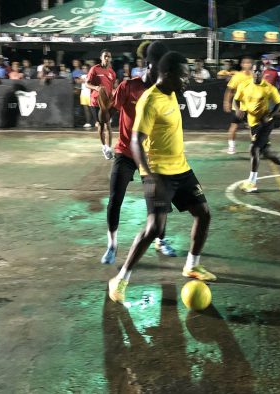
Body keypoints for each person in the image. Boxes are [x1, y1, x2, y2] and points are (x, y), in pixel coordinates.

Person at [108, 51, 215, 304]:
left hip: (182, 168)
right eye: (183, 76)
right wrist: (149, 175)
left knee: (204, 212)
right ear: (166, 75)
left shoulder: (171, 92)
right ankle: (121, 279)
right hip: (158, 172)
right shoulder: (150, 100)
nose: (186, 81)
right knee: (154, 228)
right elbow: (136, 141)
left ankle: (192, 265)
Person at [101, 41, 177, 265]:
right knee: (115, 198)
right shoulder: (128, 86)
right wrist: (103, 113)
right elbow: (110, 111)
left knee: (158, 203)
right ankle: (112, 244)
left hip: (150, 156)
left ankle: (160, 240)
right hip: (125, 152)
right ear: (148, 65)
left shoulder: (164, 92)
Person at [234, 61, 280, 193]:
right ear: (252, 71)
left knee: (254, 149)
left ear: (263, 72)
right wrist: (238, 109)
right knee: (267, 153)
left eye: (260, 71)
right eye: (255, 71)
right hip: (253, 124)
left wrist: (270, 114)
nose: (257, 73)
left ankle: (252, 182)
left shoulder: (269, 88)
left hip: (265, 124)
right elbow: (236, 99)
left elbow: (279, 103)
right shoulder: (244, 85)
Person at [87, 49, 117, 159]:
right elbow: (87, 83)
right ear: (101, 57)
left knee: (108, 124)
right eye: (105, 56)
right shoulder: (94, 69)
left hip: (106, 103)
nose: (107, 58)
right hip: (95, 102)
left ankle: (109, 149)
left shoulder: (112, 73)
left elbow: (112, 87)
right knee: (101, 125)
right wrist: (96, 87)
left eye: (109, 56)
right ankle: (104, 146)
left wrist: (113, 94)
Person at [223, 56, 253, 154]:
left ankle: (253, 146)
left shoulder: (254, 76)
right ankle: (231, 147)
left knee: (252, 127)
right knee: (234, 126)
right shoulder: (237, 76)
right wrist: (226, 102)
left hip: (251, 106)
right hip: (238, 106)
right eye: (245, 63)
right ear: (242, 64)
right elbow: (230, 91)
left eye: (249, 63)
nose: (247, 64)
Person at [78, 64, 93, 128]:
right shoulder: (82, 75)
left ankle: (96, 121)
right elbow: (79, 81)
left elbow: (88, 81)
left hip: (90, 94)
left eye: (85, 68)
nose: (84, 69)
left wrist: (83, 80)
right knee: (86, 109)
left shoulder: (91, 75)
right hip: (83, 94)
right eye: (83, 68)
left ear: (88, 69)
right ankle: (88, 122)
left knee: (92, 109)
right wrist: (81, 80)